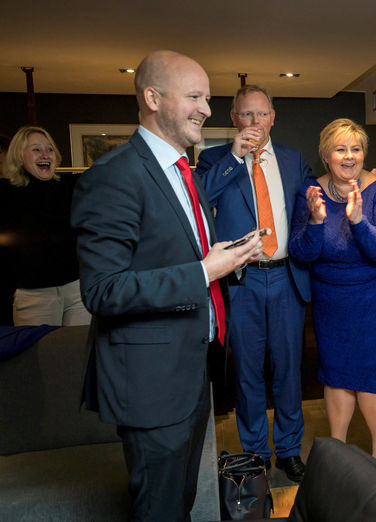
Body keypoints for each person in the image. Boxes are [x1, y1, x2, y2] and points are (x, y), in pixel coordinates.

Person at [71, 50, 263, 521]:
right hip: (150, 381)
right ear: (153, 98)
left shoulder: (184, 170)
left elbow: (184, 253)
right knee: (159, 508)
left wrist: (231, 258)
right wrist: (205, 272)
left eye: (208, 98)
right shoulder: (112, 176)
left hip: (191, 368)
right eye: (195, 97)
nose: (207, 109)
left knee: (179, 501)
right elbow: (102, 291)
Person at [196, 85, 311, 482]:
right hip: (241, 282)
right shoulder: (214, 159)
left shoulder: (294, 160)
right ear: (233, 119)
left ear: (273, 118)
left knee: (289, 370)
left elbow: (321, 196)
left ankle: (290, 450)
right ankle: (257, 453)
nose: (255, 123)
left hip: (286, 277)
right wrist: (235, 156)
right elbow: (199, 199)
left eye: (261, 115)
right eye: (246, 115)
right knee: (247, 372)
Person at [289, 118, 376, 466]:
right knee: (336, 373)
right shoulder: (309, 192)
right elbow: (301, 252)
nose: (349, 156)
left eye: (356, 149)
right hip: (332, 302)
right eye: (341, 149)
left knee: (374, 376)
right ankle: (336, 455)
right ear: (326, 155)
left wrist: (357, 221)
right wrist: (314, 221)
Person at [0, 126, 90, 326]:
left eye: (49, 149)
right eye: (36, 149)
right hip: (34, 297)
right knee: (39, 355)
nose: (45, 155)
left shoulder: (71, 185)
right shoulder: (5, 193)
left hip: (75, 290)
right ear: (19, 155)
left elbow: (108, 175)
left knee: (77, 352)